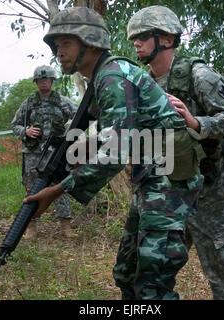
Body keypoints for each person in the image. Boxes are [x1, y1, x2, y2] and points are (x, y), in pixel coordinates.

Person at [23, 7, 205, 300]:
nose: (59, 52)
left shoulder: (112, 78)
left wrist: (58, 190)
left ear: (90, 42)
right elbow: (120, 136)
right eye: (56, 46)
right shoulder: (103, 78)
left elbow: (116, 151)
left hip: (170, 183)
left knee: (152, 285)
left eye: (66, 44)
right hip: (152, 178)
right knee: (127, 273)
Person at [127, 5, 224, 300]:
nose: (135, 43)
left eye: (141, 36)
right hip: (170, 191)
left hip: (215, 193)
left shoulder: (200, 76)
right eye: (133, 39)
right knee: (151, 273)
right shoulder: (143, 84)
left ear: (165, 39)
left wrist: (195, 121)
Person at [11, 65, 78, 239]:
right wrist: (25, 131)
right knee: (32, 190)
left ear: (52, 81)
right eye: (41, 80)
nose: (44, 83)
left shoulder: (62, 101)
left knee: (59, 186)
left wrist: (70, 137)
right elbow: (14, 125)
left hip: (56, 153)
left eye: (47, 79)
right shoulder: (29, 102)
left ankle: (65, 226)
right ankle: (31, 225)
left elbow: (79, 117)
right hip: (33, 153)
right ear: (36, 82)